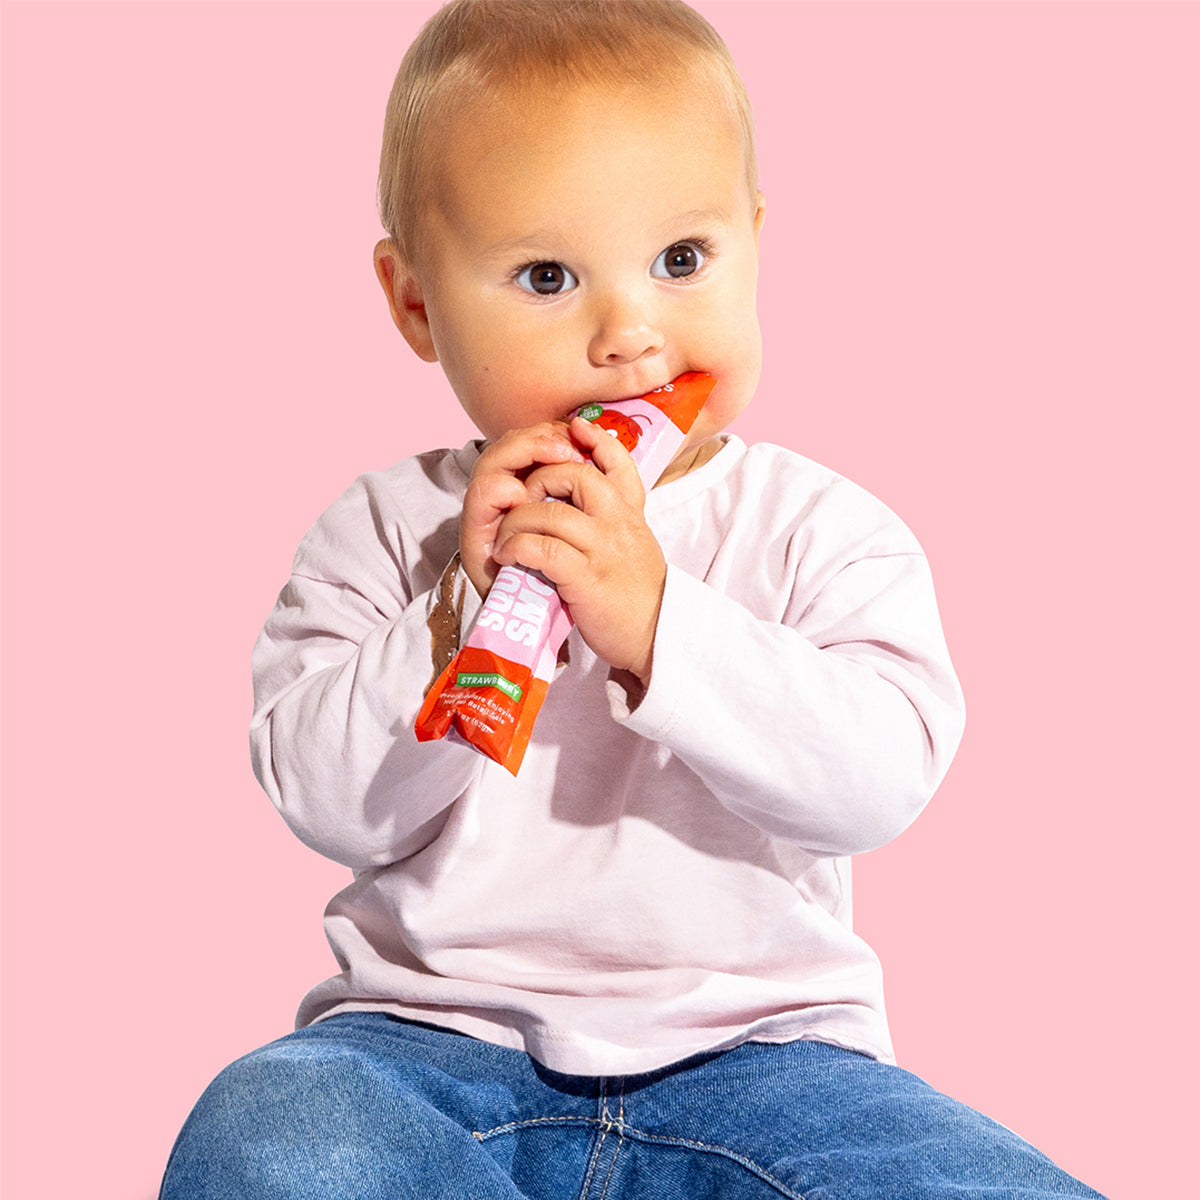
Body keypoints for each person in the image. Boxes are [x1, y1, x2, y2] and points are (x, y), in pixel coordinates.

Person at [159, 2, 1106, 1196]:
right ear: (414, 304)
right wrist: (457, 607)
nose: (630, 334)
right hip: (422, 1053)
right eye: (548, 276)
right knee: (269, 1136)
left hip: (769, 1064)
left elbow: (877, 781)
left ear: (755, 244)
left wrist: (664, 628)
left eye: (682, 261)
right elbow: (325, 800)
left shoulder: (823, 530)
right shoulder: (389, 531)